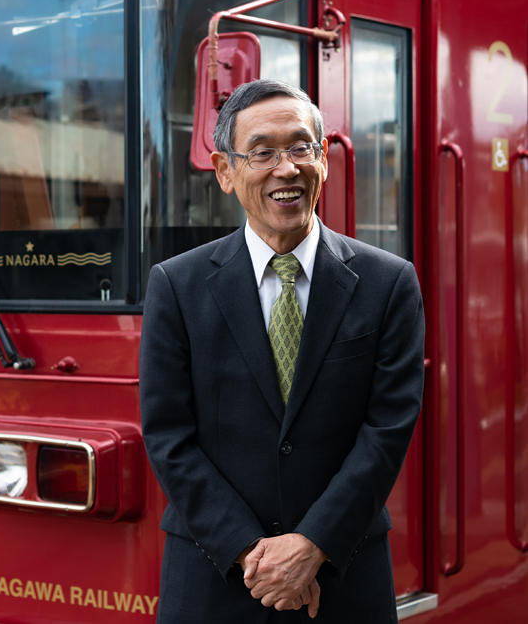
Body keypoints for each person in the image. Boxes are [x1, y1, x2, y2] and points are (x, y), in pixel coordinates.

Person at [139, 79, 424, 624]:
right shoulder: (177, 285)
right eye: (262, 152)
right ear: (225, 171)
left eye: (300, 148)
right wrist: (253, 553)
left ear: (323, 159)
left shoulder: (389, 283)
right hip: (214, 576)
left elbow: (387, 430)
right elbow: (168, 435)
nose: (285, 169)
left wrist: (312, 544)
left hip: (344, 575)